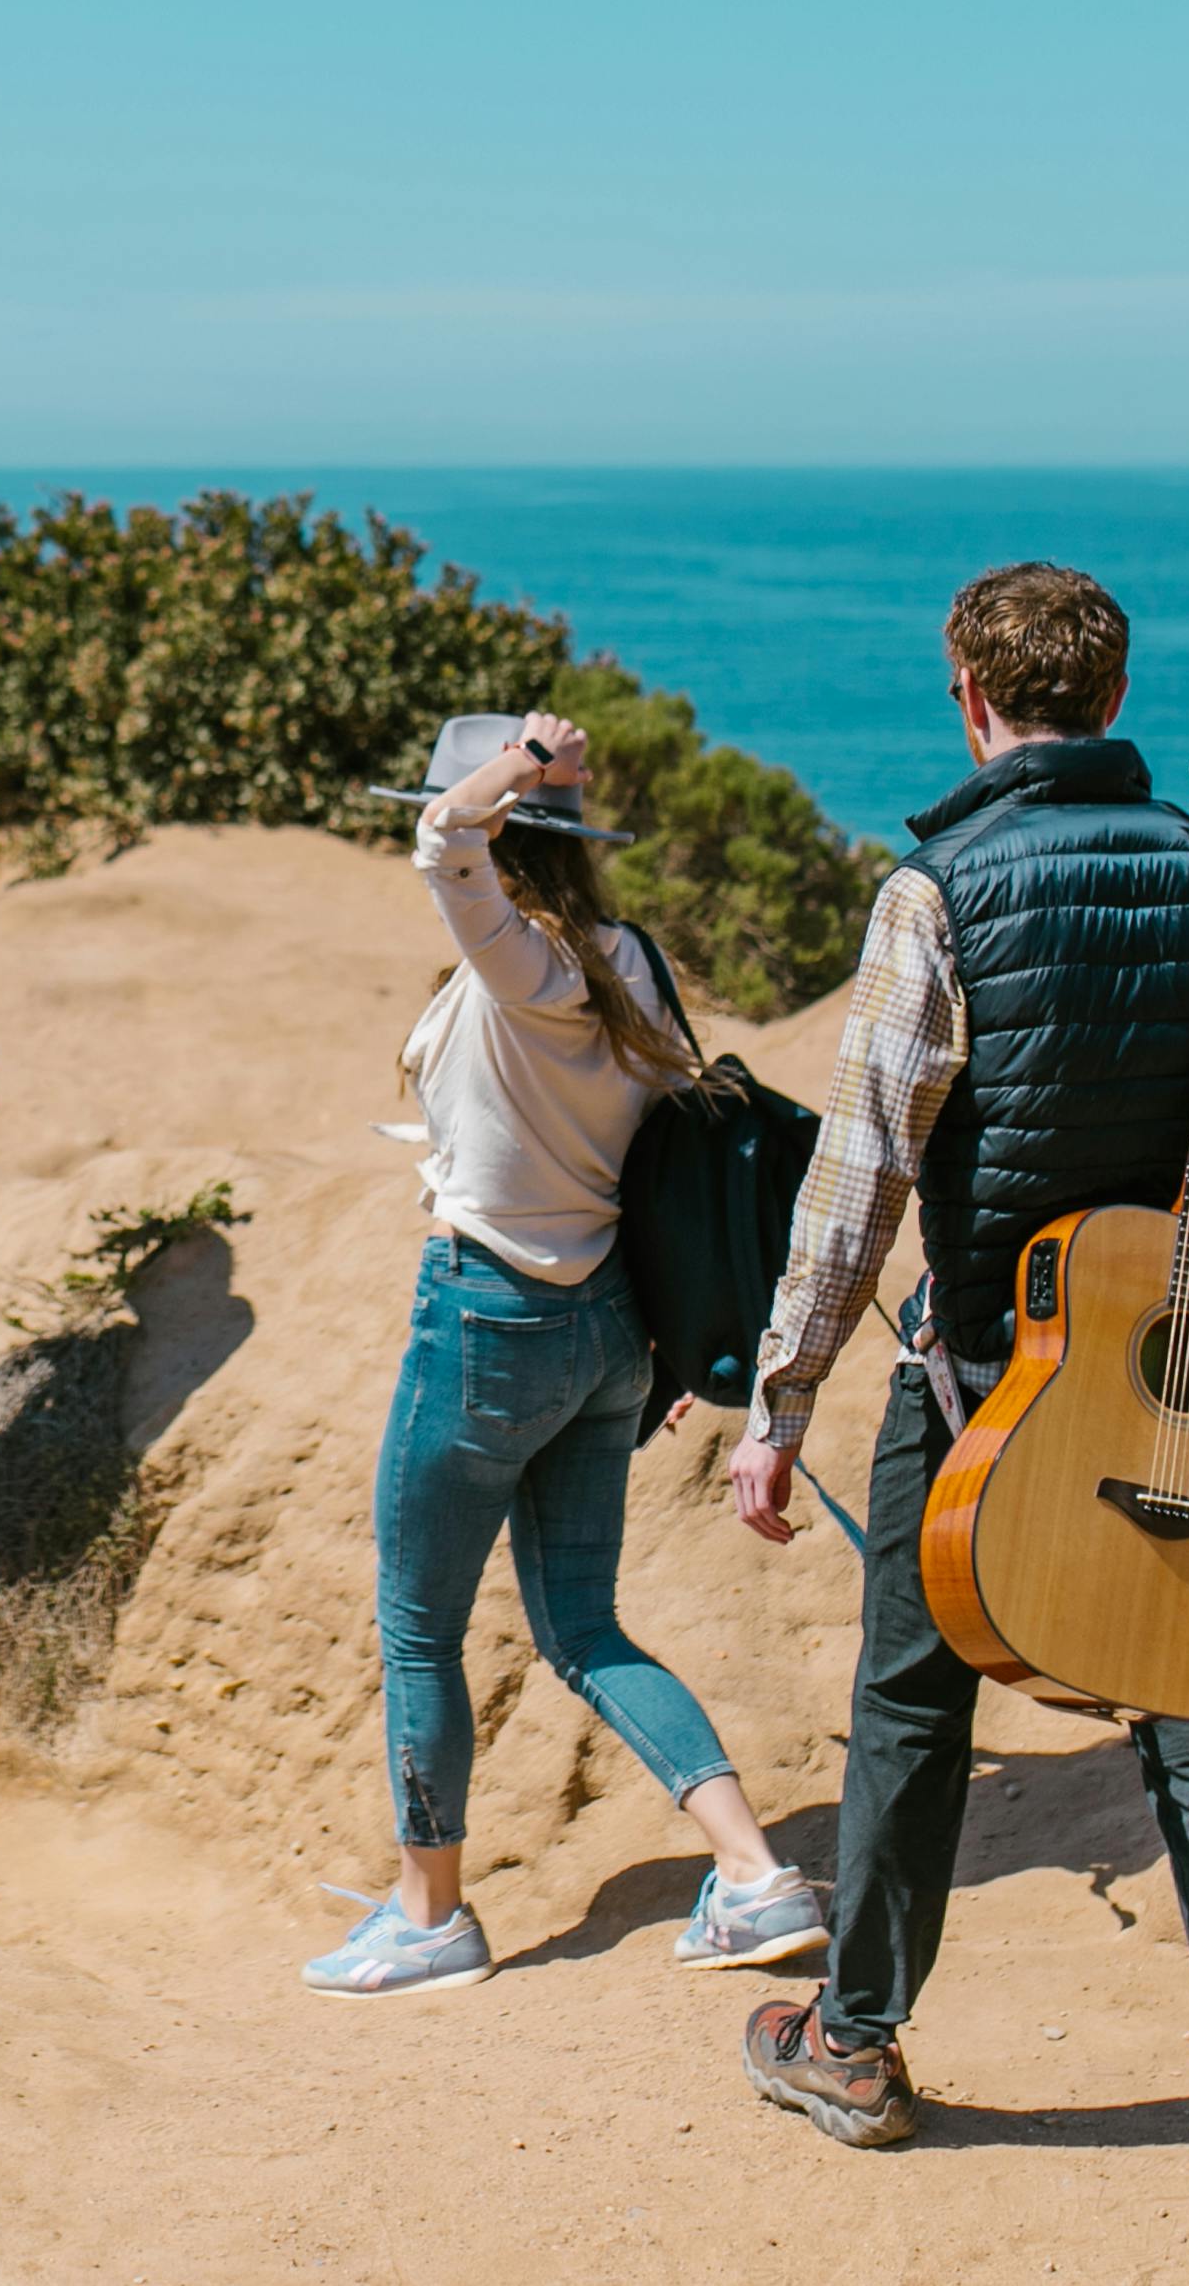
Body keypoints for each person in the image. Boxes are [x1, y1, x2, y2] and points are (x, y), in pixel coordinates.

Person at [722, 566, 1189, 2286]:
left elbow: (855, 1178)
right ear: (1116, 688)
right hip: (1183, 1378)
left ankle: (851, 2041)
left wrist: (774, 1403)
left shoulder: (932, 890)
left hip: (974, 1381)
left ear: (966, 693)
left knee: (909, 1700)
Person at [300, 708, 829, 2000]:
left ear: (508, 830)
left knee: (417, 1627)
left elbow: (441, 838)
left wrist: (519, 765)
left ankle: (429, 1913)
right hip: (605, 1328)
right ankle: (754, 1873)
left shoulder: (521, 968)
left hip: (488, 1316)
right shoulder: (626, 966)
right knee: (583, 1624)